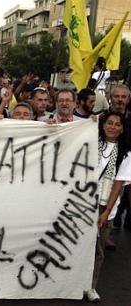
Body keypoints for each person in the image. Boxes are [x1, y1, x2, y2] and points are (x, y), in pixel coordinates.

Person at [86, 111, 131, 302]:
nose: (112, 126)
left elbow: (118, 186)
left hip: (105, 208)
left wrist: (105, 212)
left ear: (122, 129)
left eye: (117, 124)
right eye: (109, 123)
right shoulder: (92, 143)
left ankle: (90, 286)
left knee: (98, 250)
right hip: (82, 203)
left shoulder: (126, 154)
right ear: (103, 125)